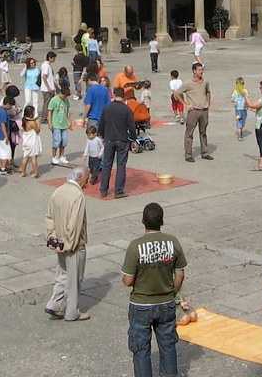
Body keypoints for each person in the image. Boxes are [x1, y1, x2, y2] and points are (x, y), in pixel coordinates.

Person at [121, 203, 187, 377]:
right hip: (166, 302)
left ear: (143, 221)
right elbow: (180, 274)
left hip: (141, 304)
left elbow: (127, 280)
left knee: (141, 349)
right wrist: (173, 293)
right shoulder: (173, 242)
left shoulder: (135, 246)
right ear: (162, 221)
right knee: (168, 345)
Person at [45, 167, 91, 322]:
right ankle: (72, 312)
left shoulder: (58, 191)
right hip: (74, 245)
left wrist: (52, 238)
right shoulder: (78, 195)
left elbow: (49, 217)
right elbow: (75, 224)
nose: (88, 182)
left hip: (58, 241)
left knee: (62, 274)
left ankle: (55, 304)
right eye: (87, 178)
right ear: (81, 178)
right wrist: (71, 244)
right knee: (74, 279)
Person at [99, 87, 134, 198]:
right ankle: (118, 191)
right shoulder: (126, 109)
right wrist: (133, 139)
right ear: (123, 96)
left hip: (109, 139)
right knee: (121, 165)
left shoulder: (107, 108)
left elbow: (101, 124)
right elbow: (132, 127)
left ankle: (103, 190)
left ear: (113, 94)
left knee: (106, 164)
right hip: (122, 139)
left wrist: (103, 136)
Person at [176, 62, 212, 163]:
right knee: (189, 133)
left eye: (202, 70)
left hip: (204, 110)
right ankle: (188, 155)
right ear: (194, 71)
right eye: (199, 70)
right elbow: (177, 93)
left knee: (203, 132)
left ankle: (205, 153)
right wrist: (185, 104)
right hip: (193, 111)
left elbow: (208, 92)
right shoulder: (188, 83)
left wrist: (208, 104)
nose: (202, 72)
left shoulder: (205, 82)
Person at [47, 85, 72, 166]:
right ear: (61, 93)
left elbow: (67, 111)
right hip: (56, 124)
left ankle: (61, 156)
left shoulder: (66, 100)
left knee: (64, 141)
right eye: (64, 96)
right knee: (57, 141)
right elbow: (49, 112)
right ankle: (54, 157)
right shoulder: (54, 100)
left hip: (64, 124)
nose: (65, 97)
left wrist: (69, 122)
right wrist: (50, 123)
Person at [0, 96, 16, 175]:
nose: (10, 107)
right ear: (7, 104)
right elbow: (3, 125)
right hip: (3, 135)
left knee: (0, 151)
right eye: (10, 105)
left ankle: (1, 167)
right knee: (6, 152)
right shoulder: (3, 112)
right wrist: (6, 136)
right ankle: (4, 168)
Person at [19, 106, 42, 178]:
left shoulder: (23, 120)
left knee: (25, 157)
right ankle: (35, 172)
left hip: (26, 140)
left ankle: (23, 172)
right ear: (31, 113)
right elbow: (38, 131)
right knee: (33, 157)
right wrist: (38, 123)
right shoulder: (32, 122)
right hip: (32, 142)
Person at [40, 51, 58, 115]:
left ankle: (48, 116)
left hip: (49, 88)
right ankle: (44, 117)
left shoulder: (47, 65)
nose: (54, 60)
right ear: (50, 58)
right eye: (54, 58)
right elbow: (44, 77)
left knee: (49, 103)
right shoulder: (46, 65)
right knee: (47, 103)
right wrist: (49, 88)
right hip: (47, 89)